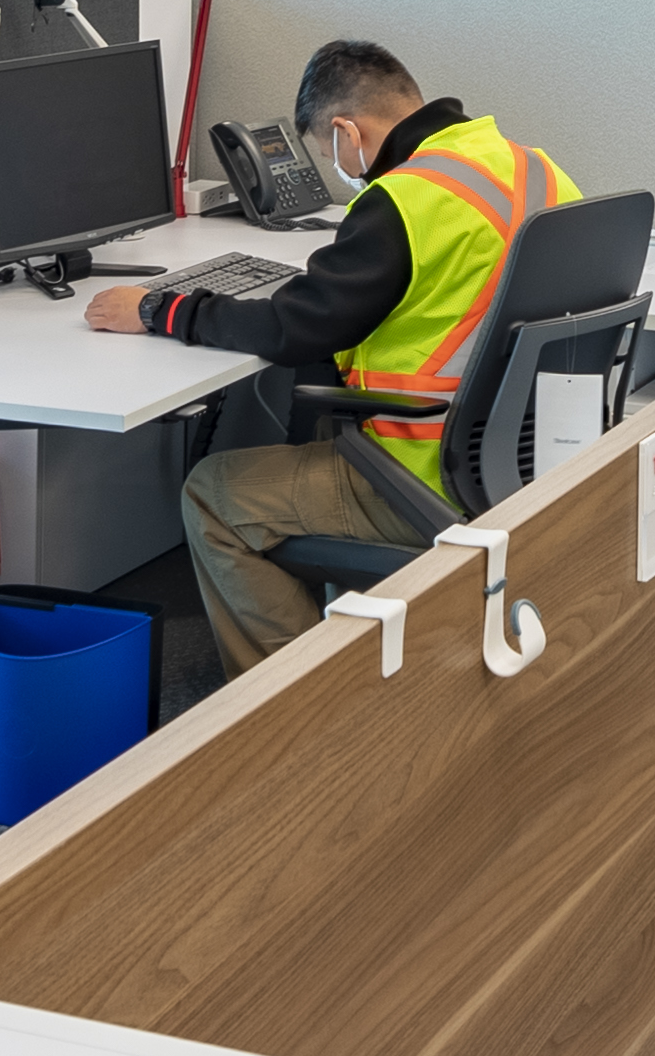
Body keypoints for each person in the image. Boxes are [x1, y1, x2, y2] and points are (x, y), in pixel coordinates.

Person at [82, 35, 578, 669]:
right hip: (530, 458)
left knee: (212, 493)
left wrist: (164, 308)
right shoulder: (530, 164)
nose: (337, 165)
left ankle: (301, 704)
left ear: (348, 131)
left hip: (426, 465)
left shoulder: (403, 198)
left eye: (327, 150)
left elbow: (295, 329)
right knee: (306, 422)